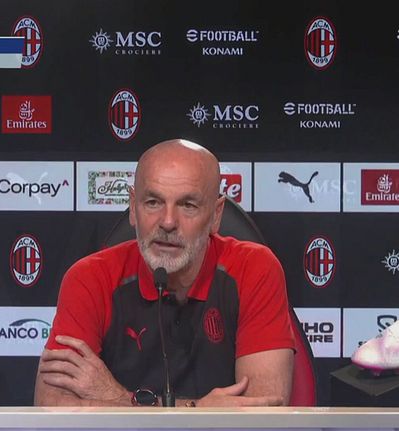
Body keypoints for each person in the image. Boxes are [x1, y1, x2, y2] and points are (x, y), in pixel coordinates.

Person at [34, 139, 294, 407]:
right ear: (133, 206)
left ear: (216, 215)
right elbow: (52, 407)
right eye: (153, 202)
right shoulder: (90, 278)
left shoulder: (254, 268)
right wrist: (199, 411)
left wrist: (117, 397)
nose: (168, 222)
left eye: (188, 205)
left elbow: (264, 411)